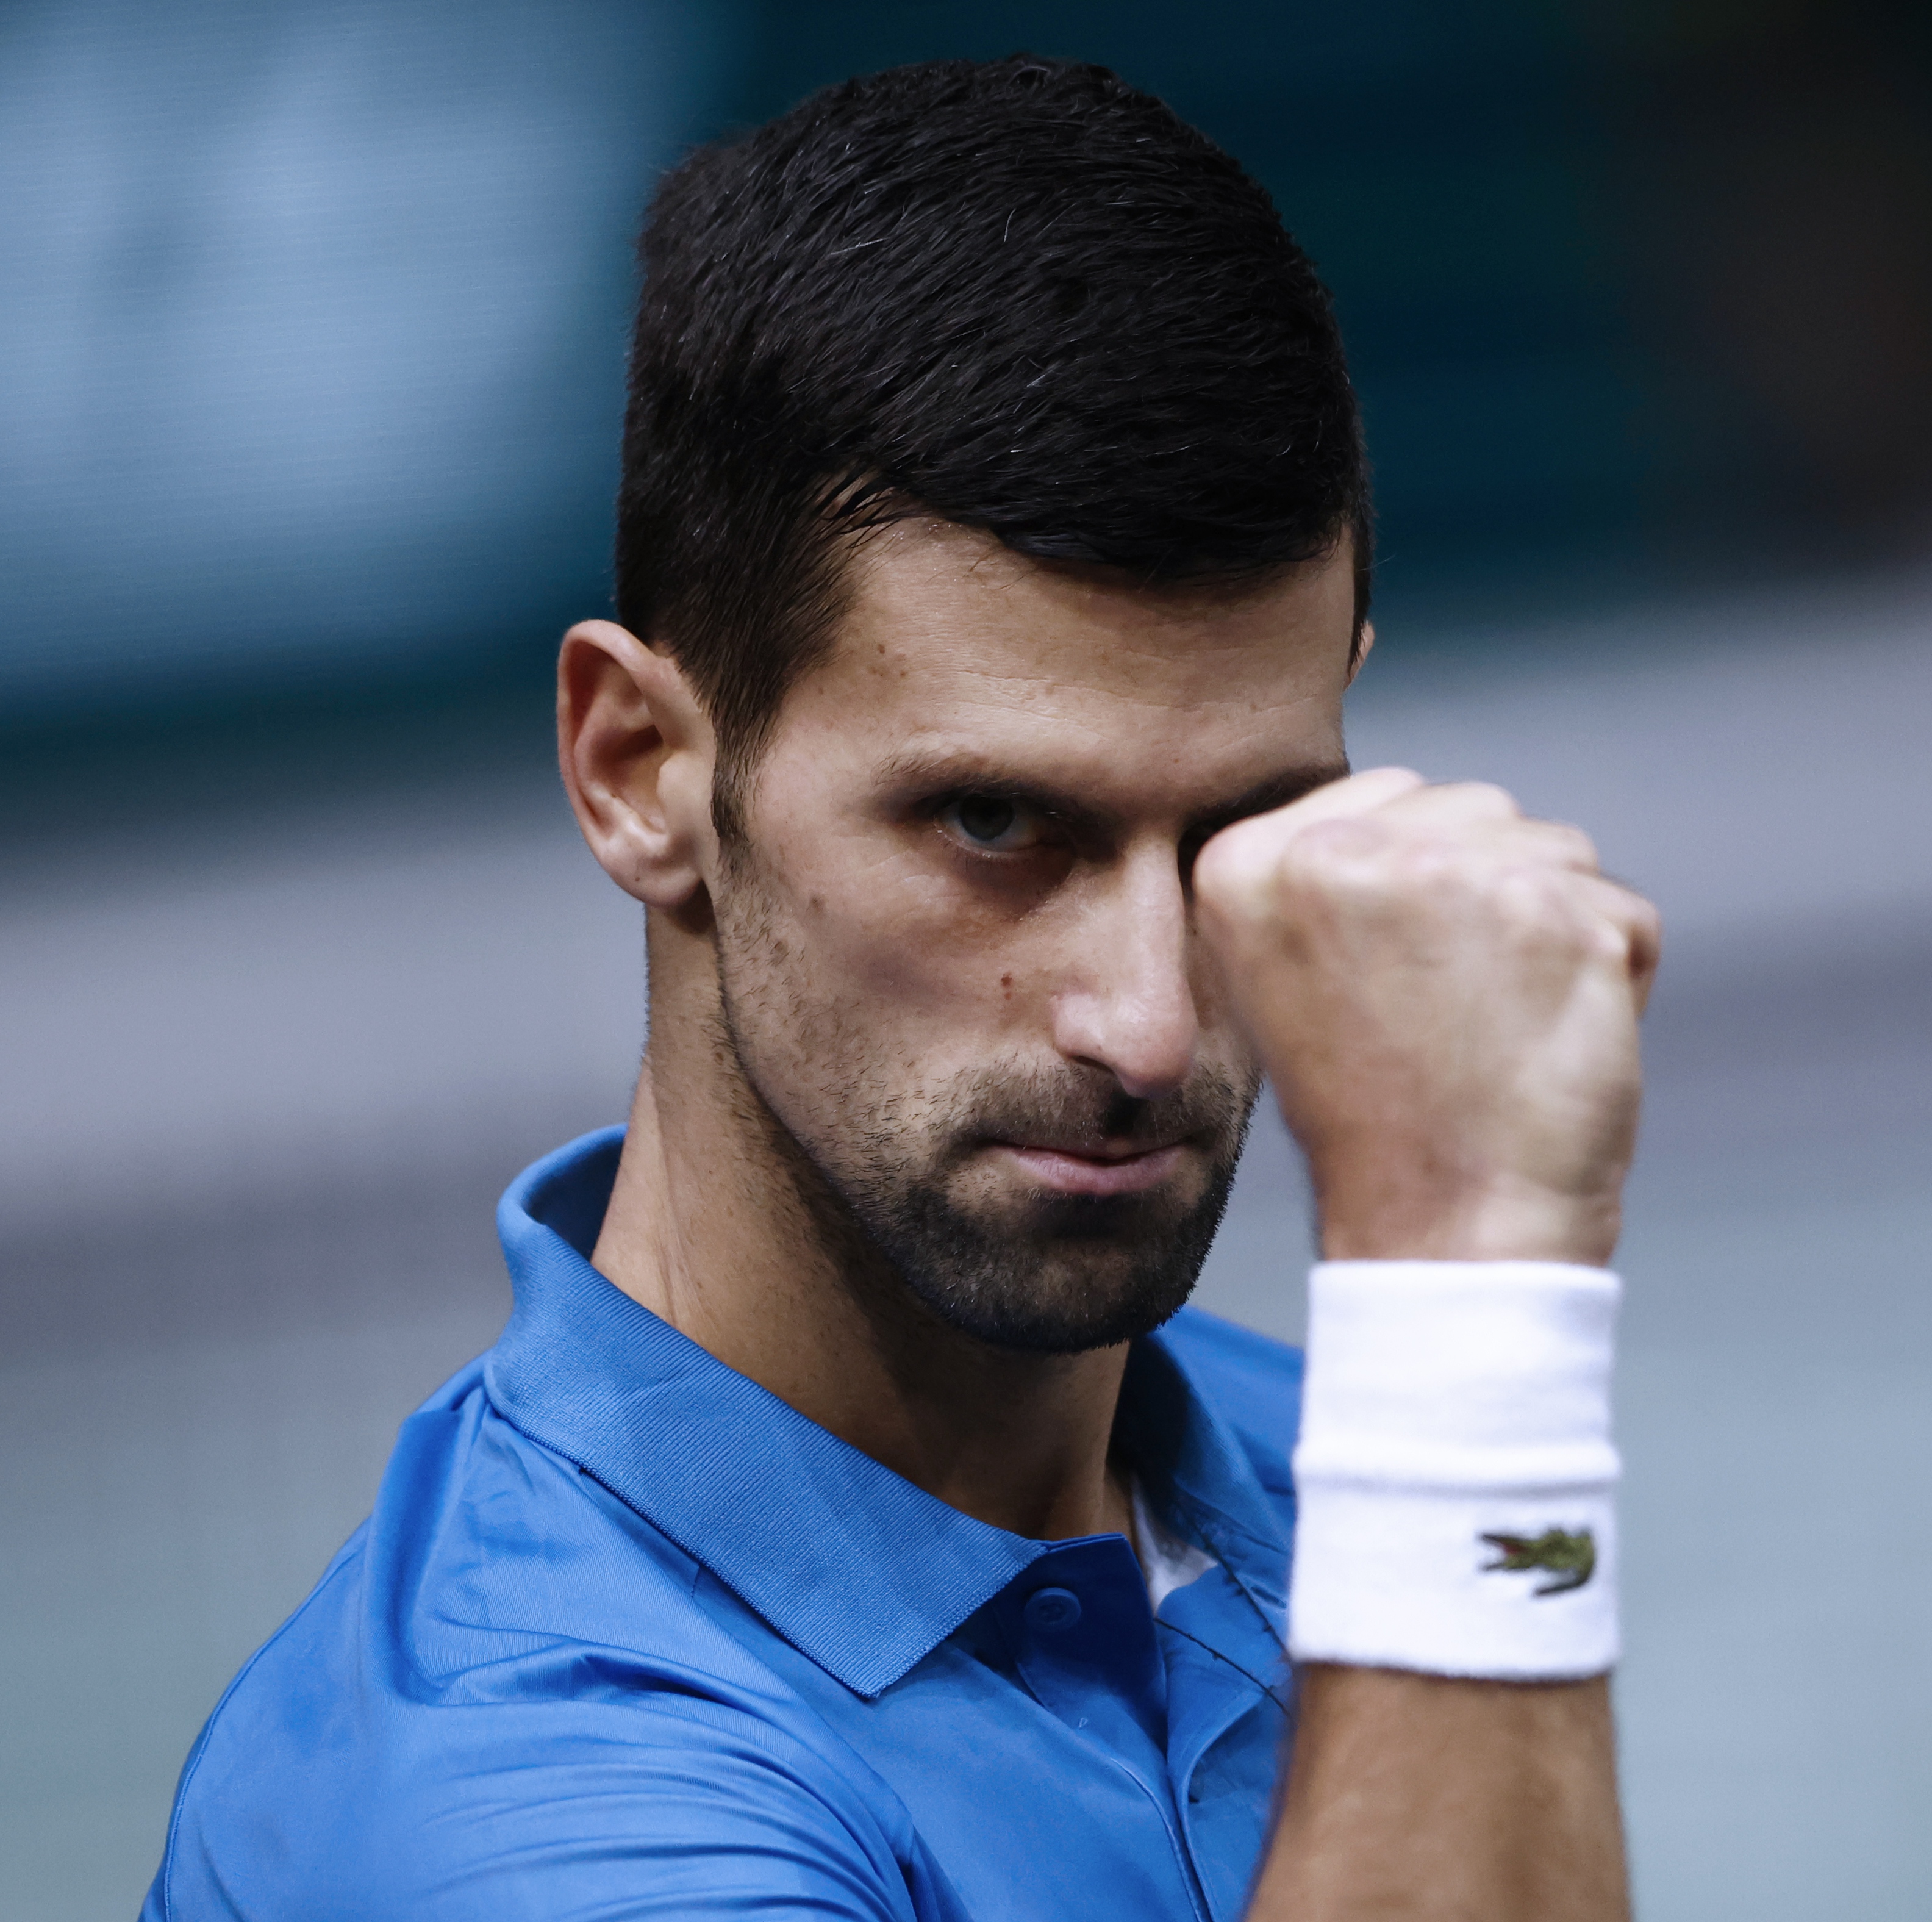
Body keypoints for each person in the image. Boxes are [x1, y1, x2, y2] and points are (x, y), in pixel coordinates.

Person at [141, 54, 1657, 1922]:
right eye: (996, 822)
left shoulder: (1337, 1463)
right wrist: (1465, 1280)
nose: (1151, 1022)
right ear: (637, 769)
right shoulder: (517, 1803)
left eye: (1245, 827)